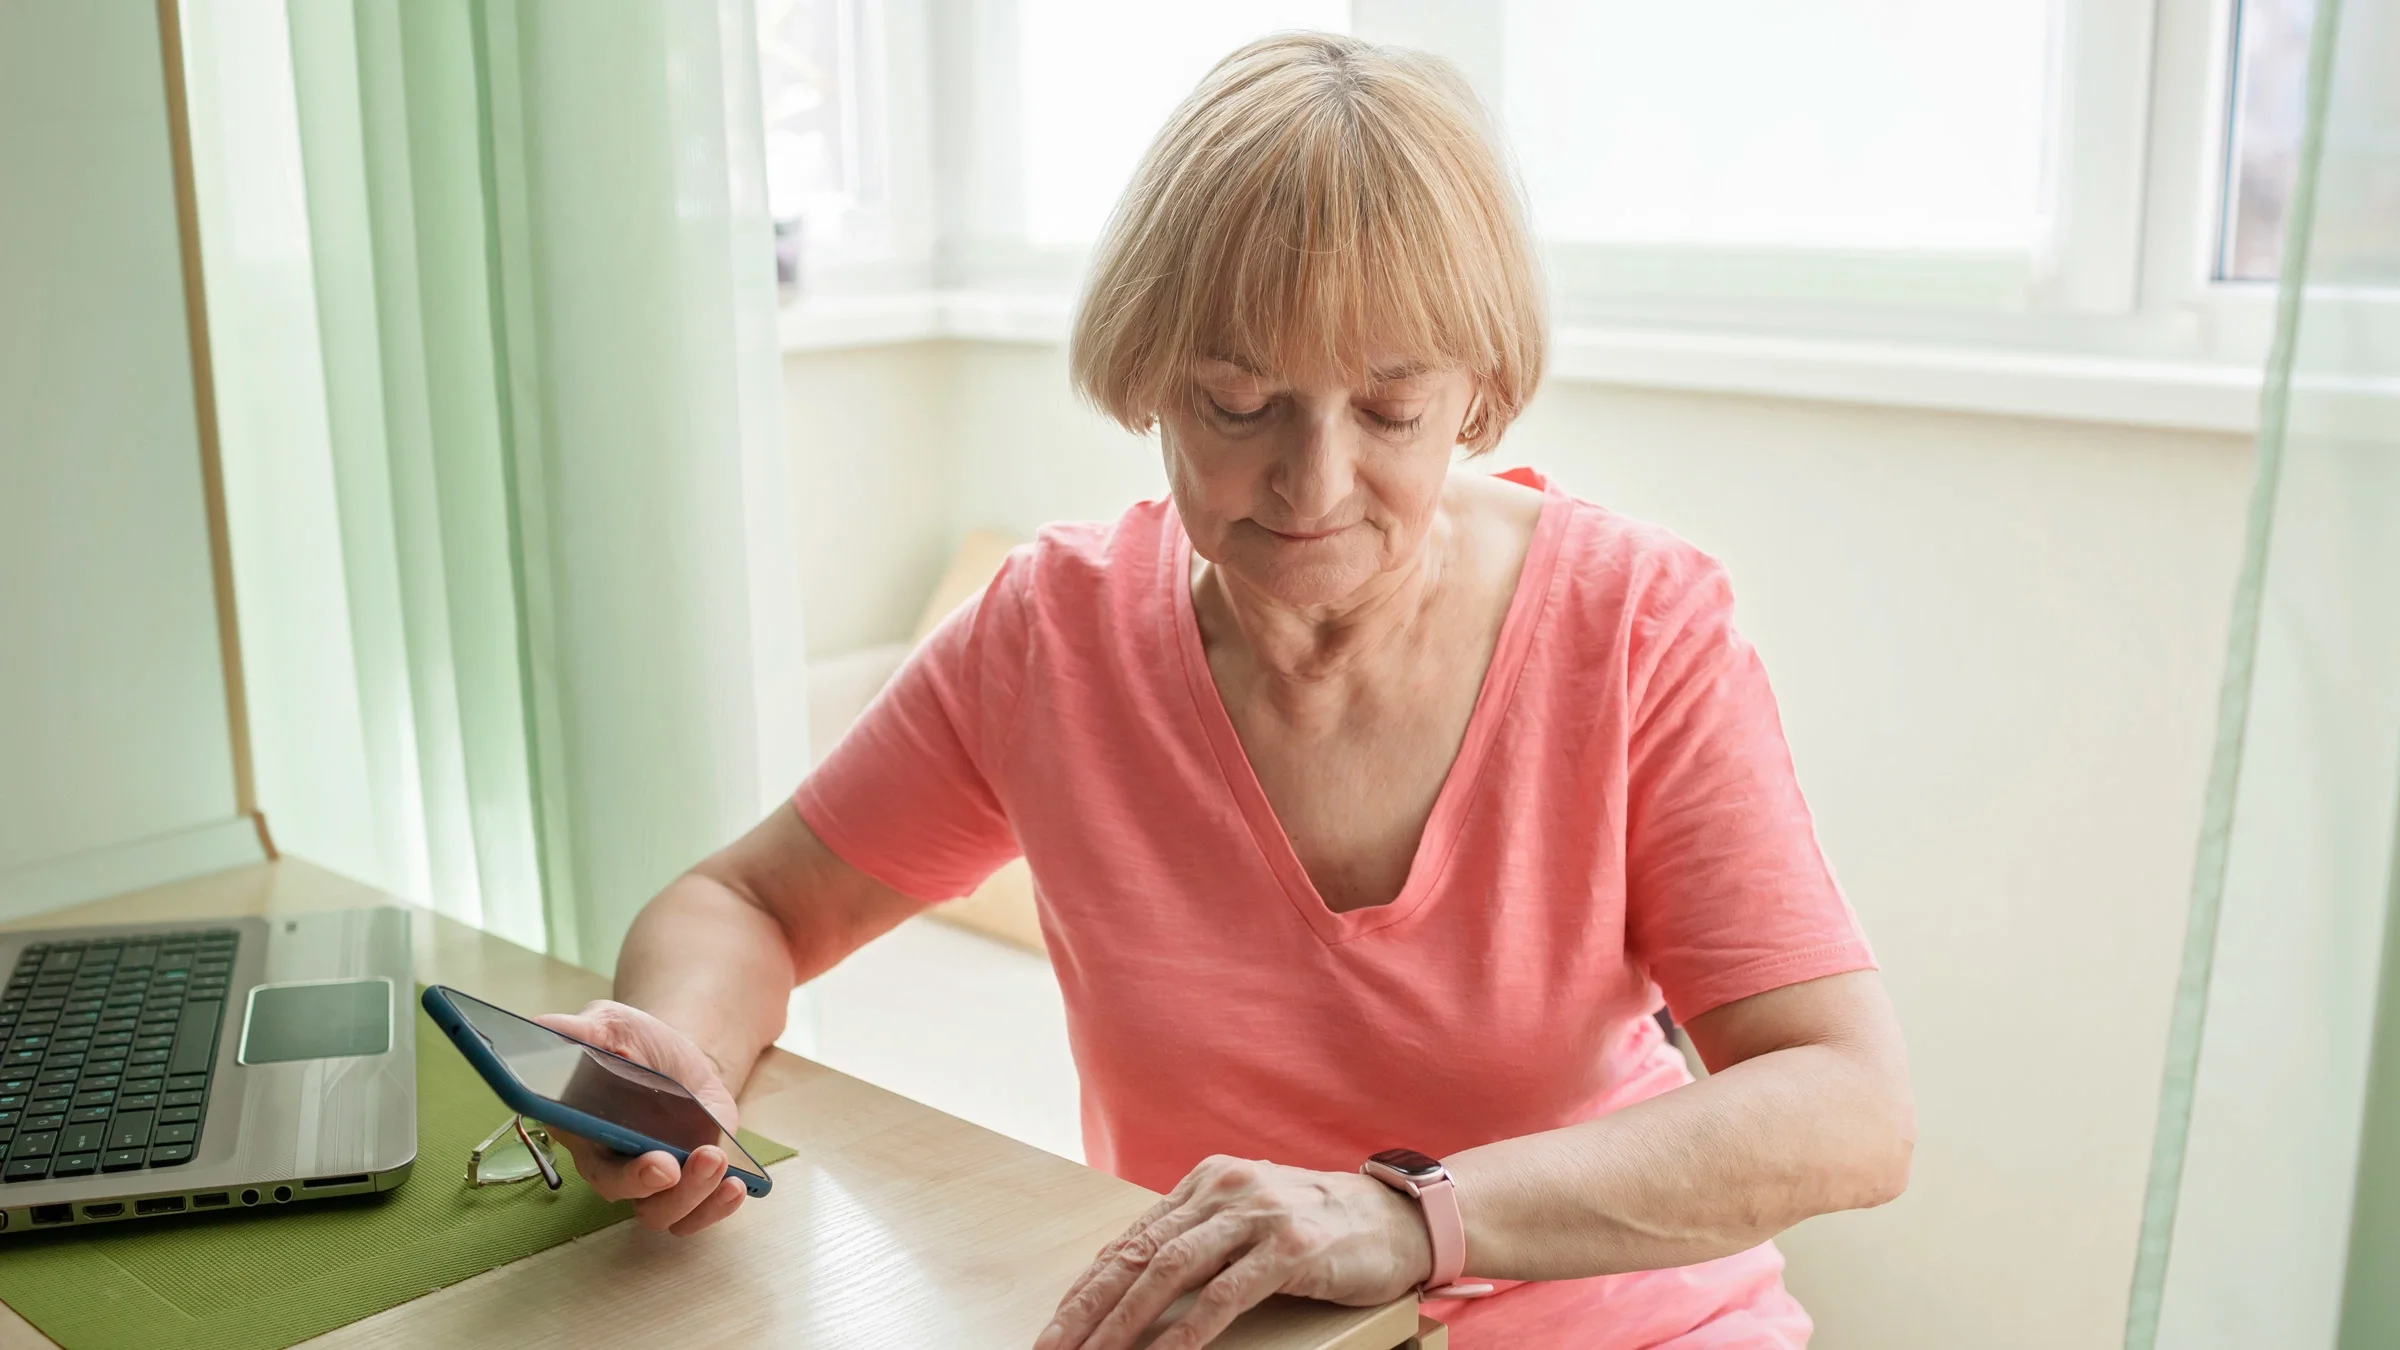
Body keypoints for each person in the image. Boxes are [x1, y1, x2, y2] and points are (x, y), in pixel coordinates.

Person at [538, 31, 1913, 1350]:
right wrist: (675, 1062)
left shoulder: (1637, 626)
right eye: (1239, 403)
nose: (1311, 486)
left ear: (1480, 398)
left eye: (1388, 409)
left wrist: (1405, 1215)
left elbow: (1848, 1103)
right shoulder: (1050, 640)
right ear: (1150, 383)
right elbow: (752, 902)